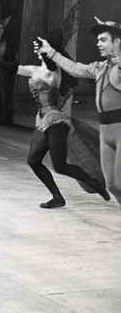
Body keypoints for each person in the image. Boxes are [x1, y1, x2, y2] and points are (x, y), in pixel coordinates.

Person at [0, 29, 110, 207]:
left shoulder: (53, 70)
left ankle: (93, 182)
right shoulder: (35, 69)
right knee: (33, 160)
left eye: (39, 44)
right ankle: (58, 197)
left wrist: (49, 49)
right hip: (41, 120)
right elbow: (8, 66)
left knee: (60, 165)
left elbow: (52, 64)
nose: (36, 47)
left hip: (55, 119)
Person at [34, 18, 121, 205]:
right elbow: (74, 68)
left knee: (120, 183)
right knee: (113, 185)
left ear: (117, 42)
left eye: (103, 39)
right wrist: (50, 52)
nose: (98, 43)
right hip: (106, 132)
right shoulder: (100, 68)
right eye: (98, 40)